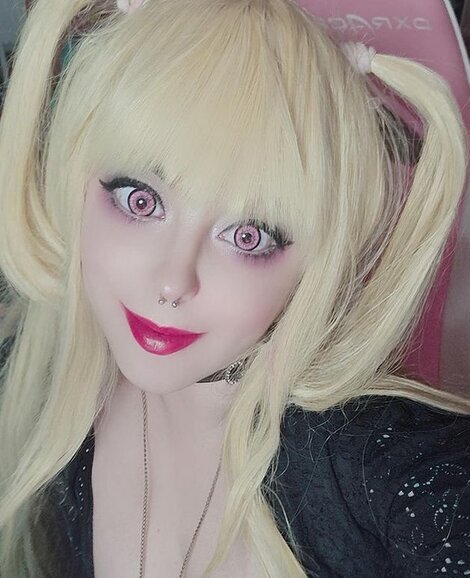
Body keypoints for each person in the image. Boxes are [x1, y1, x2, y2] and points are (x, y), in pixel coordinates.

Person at [0, 0, 469, 576]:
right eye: (140, 201)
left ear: (317, 262)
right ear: (73, 175)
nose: (172, 282)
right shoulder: (31, 380)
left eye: (248, 236)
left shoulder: (387, 469)